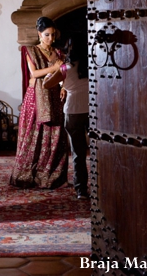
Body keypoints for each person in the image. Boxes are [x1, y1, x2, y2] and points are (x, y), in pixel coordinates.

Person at [9, 16, 68, 189]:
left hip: (54, 97)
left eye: (53, 34)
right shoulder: (30, 51)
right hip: (35, 99)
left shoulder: (58, 53)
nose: (51, 38)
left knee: (55, 136)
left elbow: (64, 73)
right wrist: (55, 67)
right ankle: (28, 175)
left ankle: (50, 176)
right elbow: (34, 73)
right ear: (39, 34)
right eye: (47, 35)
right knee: (34, 135)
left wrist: (64, 86)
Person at [60, 35, 89, 200]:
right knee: (100, 151)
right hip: (93, 110)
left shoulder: (66, 68)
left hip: (73, 111)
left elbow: (47, 82)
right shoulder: (94, 65)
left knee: (78, 153)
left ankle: (81, 190)